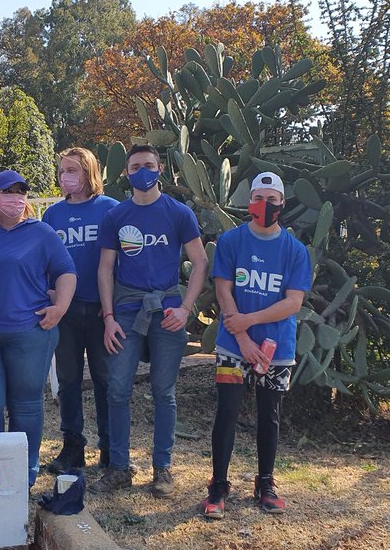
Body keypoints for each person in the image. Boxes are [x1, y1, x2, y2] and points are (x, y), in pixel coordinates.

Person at [91, 144, 208, 499]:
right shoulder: (116, 216)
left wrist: (186, 308)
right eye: (135, 166)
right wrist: (108, 317)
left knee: (163, 391)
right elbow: (105, 269)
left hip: (168, 311)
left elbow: (200, 261)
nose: (142, 171)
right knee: (117, 389)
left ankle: (162, 468)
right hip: (126, 311)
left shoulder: (179, 213)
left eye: (149, 164)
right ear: (126, 173)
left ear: (160, 169)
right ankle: (119, 468)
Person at [204, 171, 311, 519]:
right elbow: (223, 289)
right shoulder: (231, 241)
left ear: (282, 203)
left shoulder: (295, 250)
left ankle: (265, 483)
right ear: (250, 201)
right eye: (259, 199)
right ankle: (218, 485)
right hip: (232, 346)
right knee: (227, 413)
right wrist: (241, 338)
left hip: (276, 349)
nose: (265, 205)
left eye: (272, 200)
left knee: (270, 416)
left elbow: (293, 302)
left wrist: (249, 322)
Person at [0, 170, 76, 487]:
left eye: (21, 191)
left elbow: (66, 272)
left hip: (29, 332)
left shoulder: (41, 233)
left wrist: (60, 308)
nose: (15, 197)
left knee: (25, 405)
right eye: (8, 191)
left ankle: (22, 475)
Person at [41, 147, 117, 473]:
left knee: (105, 380)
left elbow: (120, 261)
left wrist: (112, 306)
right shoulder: (52, 215)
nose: (65, 176)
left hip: (101, 310)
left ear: (89, 172)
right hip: (66, 312)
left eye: (72, 170)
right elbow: (43, 261)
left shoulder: (110, 209)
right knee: (68, 379)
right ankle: (73, 447)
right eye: (62, 171)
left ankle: (110, 447)